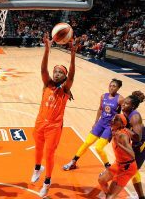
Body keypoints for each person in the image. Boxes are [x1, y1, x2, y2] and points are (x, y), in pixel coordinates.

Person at [31, 33, 77, 198]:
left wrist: (73, 54)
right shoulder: (47, 84)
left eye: (60, 72)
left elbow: (72, 74)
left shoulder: (65, 89)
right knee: (38, 148)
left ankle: (47, 182)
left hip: (54, 126)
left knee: (49, 154)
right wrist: (47, 49)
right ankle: (37, 168)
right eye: (55, 71)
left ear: (64, 77)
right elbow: (43, 69)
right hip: (40, 122)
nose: (56, 74)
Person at [63, 79, 124, 170]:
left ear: (118, 88)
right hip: (101, 123)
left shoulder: (120, 99)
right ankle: (73, 162)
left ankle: (108, 167)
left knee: (99, 148)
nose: (111, 87)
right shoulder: (103, 96)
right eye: (110, 85)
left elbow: (123, 115)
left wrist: (118, 128)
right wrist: (95, 122)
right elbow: (100, 109)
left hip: (109, 127)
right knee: (87, 143)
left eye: (114, 86)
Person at [98, 114, 137, 199]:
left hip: (127, 168)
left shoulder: (122, 136)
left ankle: (110, 195)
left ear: (122, 124)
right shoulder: (115, 130)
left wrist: (120, 145)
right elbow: (133, 135)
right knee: (101, 180)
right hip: (118, 164)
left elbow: (132, 155)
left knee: (110, 196)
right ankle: (109, 194)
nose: (113, 120)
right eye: (114, 118)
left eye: (116, 120)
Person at [122, 91, 145, 199]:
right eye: (124, 102)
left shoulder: (134, 117)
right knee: (131, 169)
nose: (123, 104)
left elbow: (137, 137)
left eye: (126, 103)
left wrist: (123, 129)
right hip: (134, 144)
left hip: (141, 145)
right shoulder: (126, 110)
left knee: (132, 170)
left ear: (132, 107)